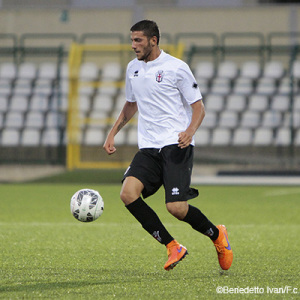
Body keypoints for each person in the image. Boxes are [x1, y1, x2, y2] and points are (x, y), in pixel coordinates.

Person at [103, 20, 233, 271]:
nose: (133, 45)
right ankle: (173, 246)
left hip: (176, 145)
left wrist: (190, 131)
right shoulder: (132, 69)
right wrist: (112, 133)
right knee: (128, 194)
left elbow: (199, 108)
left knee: (176, 208)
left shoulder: (177, 68)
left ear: (153, 40)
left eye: (138, 40)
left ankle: (217, 235)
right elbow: (131, 104)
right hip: (149, 147)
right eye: (132, 40)